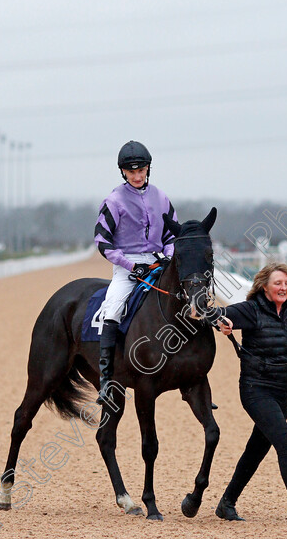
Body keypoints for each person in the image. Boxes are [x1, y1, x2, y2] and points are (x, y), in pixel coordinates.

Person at [213, 262, 287, 527]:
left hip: (284, 391)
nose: (283, 288)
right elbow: (218, 314)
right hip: (256, 389)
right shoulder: (251, 309)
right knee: (286, 444)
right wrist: (224, 323)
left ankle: (227, 503)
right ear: (264, 285)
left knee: (257, 448)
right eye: (278, 283)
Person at [93, 140, 177, 405]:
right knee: (113, 308)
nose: (137, 176)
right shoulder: (114, 200)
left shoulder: (161, 198)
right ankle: (106, 380)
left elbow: (172, 235)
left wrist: (168, 257)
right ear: (123, 173)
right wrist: (130, 265)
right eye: (131, 172)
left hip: (158, 262)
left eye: (141, 170)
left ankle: (192, 376)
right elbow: (102, 242)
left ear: (148, 169)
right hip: (127, 265)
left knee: (184, 301)